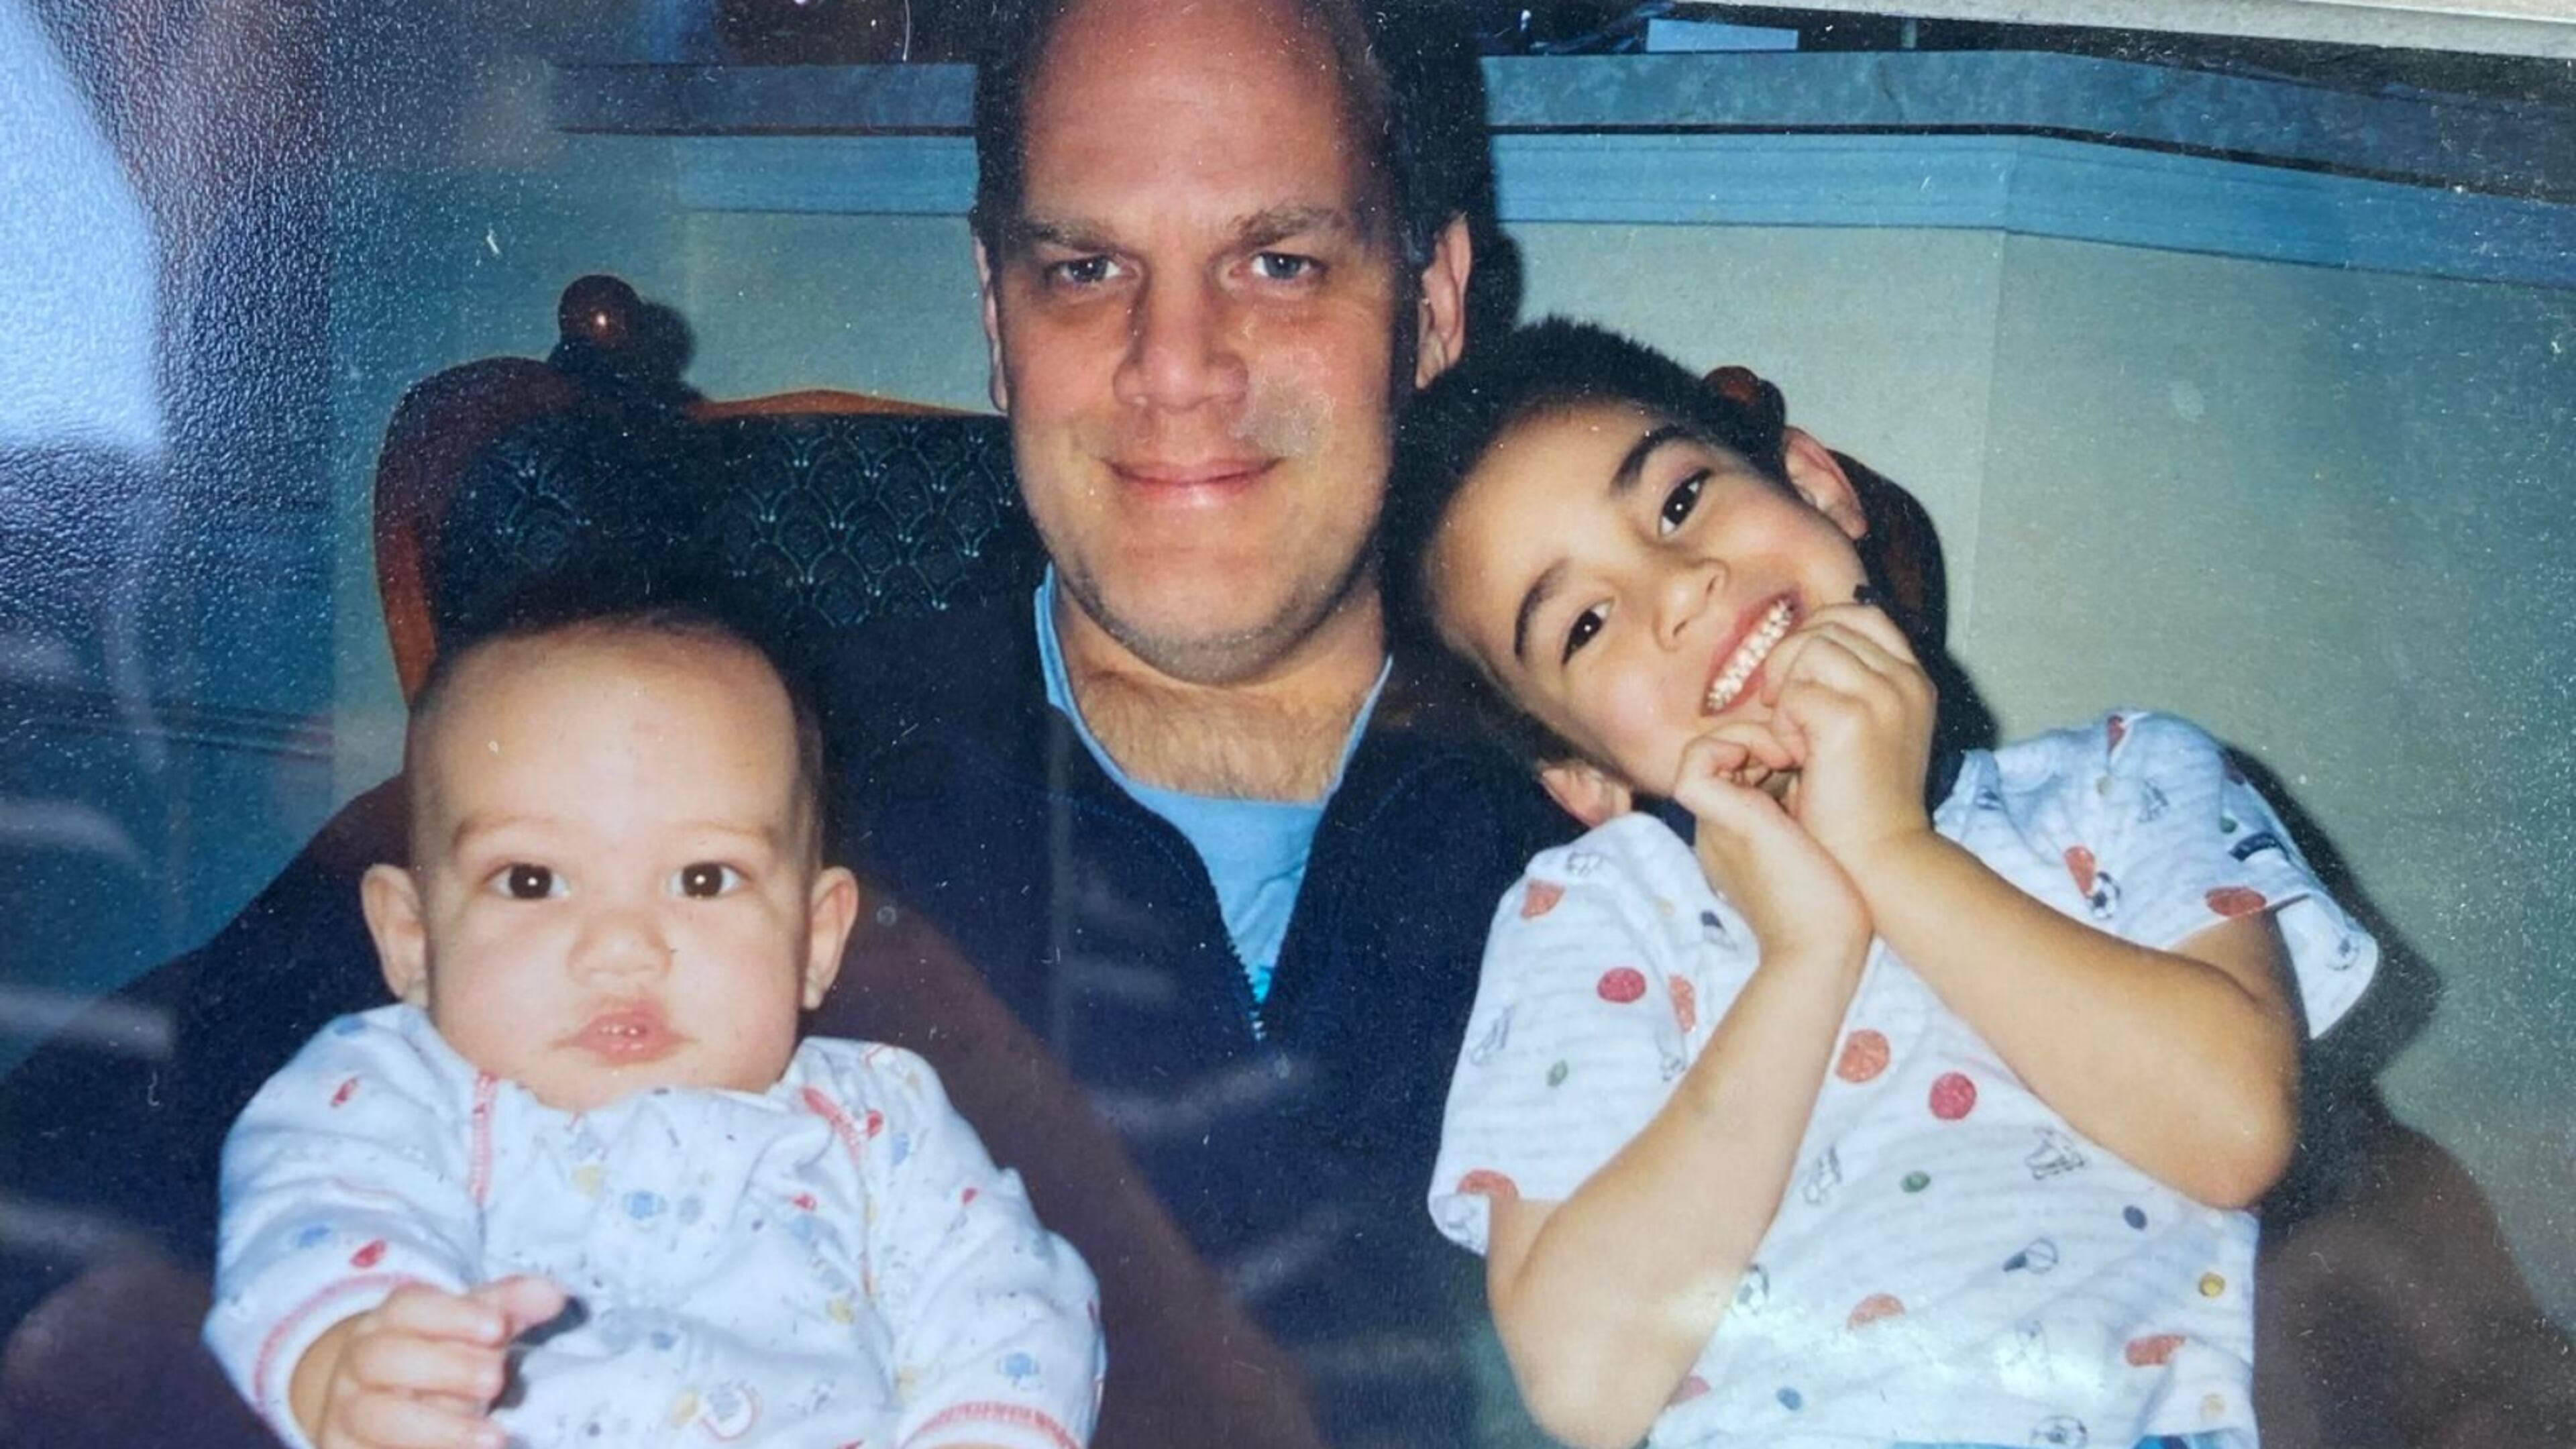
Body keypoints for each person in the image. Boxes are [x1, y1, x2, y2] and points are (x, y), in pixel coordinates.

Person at [1, 3, 1558, 1446]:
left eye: (1279, 261)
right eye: (1085, 268)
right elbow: (69, 1194)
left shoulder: (1641, 794)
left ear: (1430, 306)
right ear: (996, 312)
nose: (1175, 368)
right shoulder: (710, 776)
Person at [1377, 320, 2381, 1449]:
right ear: (1583, 776)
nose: (1680, 590)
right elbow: (1585, 1388)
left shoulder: (2125, 780)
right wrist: (1804, 958)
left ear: (1813, 483)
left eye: (1677, 502)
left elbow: (2233, 1130)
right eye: (1588, 624)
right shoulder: (1595, 915)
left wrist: (1892, 854)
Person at [203, 592, 1102, 1449]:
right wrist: (349, 1361)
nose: (622, 948)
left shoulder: (880, 1123)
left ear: (817, 939)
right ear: (411, 940)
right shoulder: (386, 1089)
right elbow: (316, 1216)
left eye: (703, 880)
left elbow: (1007, 1305)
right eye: (531, 881)